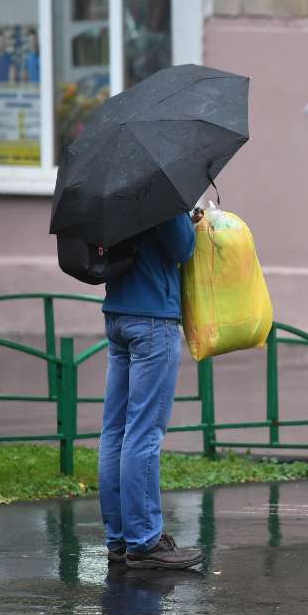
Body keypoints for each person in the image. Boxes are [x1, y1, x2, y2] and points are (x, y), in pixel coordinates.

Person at [98, 211, 203, 569]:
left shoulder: (111, 189)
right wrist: (188, 221)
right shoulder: (157, 191)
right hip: (153, 319)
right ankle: (144, 541)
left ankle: (119, 539)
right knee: (143, 433)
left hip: (117, 313)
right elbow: (182, 248)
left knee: (114, 433)